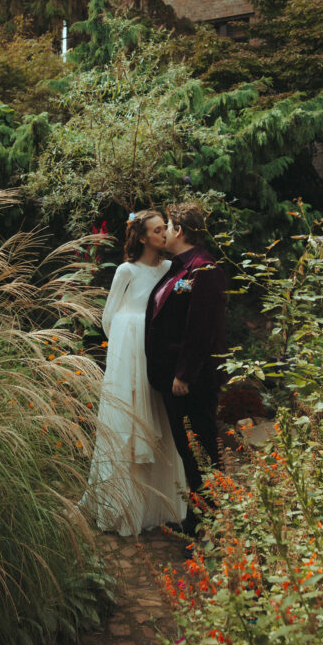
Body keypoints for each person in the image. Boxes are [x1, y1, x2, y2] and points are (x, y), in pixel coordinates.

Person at [82, 210, 187, 536]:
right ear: (141, 237)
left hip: (158, 354)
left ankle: (161, 504)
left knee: (160, 418)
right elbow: (109, 318)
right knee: (129, 421)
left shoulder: (171, 269)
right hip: (131, 354)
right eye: (156, 231)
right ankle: (124, 505)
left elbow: (180, 300)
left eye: (164, 228)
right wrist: (129, 342)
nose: (163, 234)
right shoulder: (126, 270)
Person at [144, 202, 227, 533]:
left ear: (179, 230)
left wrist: (184, 374)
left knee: (202, 453)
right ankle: (197, 521)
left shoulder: (203, 269)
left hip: (193, 382)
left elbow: (201, 328)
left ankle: (212, 528)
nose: (164, 231)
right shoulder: (180, 268)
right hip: (174, 379)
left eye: (167, 225)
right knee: (189, 452)